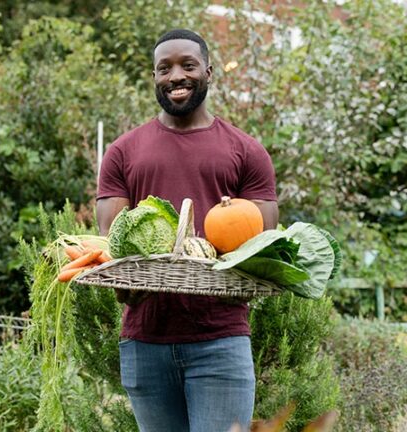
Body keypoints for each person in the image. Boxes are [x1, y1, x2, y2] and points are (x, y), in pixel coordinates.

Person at [96, 29, 279, 432]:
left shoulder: (247, 151)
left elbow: (264, 245)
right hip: (145, 341)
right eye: (164, 68)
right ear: (155, 78)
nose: (175, 76)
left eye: (187, 65)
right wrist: (124, 283)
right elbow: (112, 247)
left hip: (222, 341)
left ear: (209, 72)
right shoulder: (123, 151)